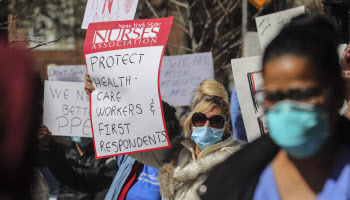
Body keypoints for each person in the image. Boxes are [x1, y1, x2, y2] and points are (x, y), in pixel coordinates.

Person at [200, 14, 350, 200]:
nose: (286, 109)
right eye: (274, 96)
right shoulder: (232, 183)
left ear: (337, 92)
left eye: (301, 94)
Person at [84, 75, 181, 200]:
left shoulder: (178, 162)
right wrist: (98, 97)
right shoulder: (131, 157)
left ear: (169, 126)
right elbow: (113, 126)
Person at [38, 127, 118, 200]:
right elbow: (68, 174)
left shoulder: (103, 154)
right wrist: (48, 146)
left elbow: (85, 177)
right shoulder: (63, 148)